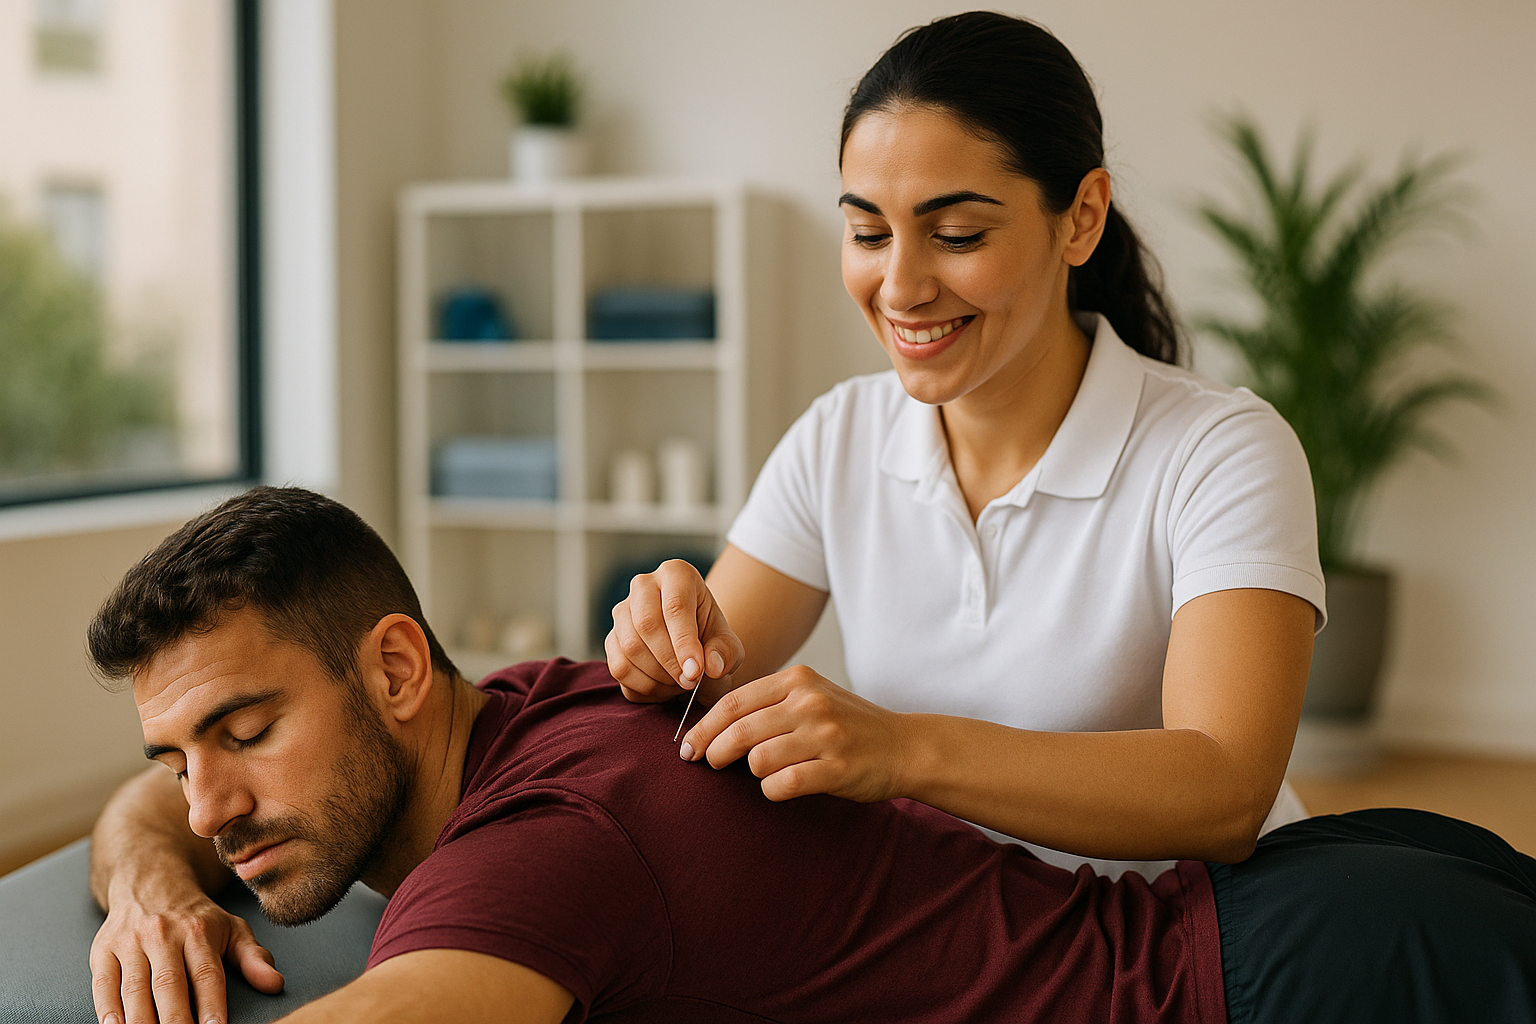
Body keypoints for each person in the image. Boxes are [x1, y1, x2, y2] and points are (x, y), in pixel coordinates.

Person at [85, 487, 1536, 1024]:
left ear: (397, 669)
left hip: (1281, 984)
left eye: (247, 731)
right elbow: (149, 803)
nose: (212, 802)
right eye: (183, 749)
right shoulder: (527, 703)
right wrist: (154, 884)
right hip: (1318, 893)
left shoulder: (533, 861)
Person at [607, 11, 1322, 878]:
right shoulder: (839, 437)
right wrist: (666, 640)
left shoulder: (1221, 451)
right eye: (869, 233)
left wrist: (904, 751)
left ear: (1081, 217)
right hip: (968, 941)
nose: (900, 287)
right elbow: (708, 680)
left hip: (1194, 946)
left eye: (956, 236)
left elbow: (1226, 791)